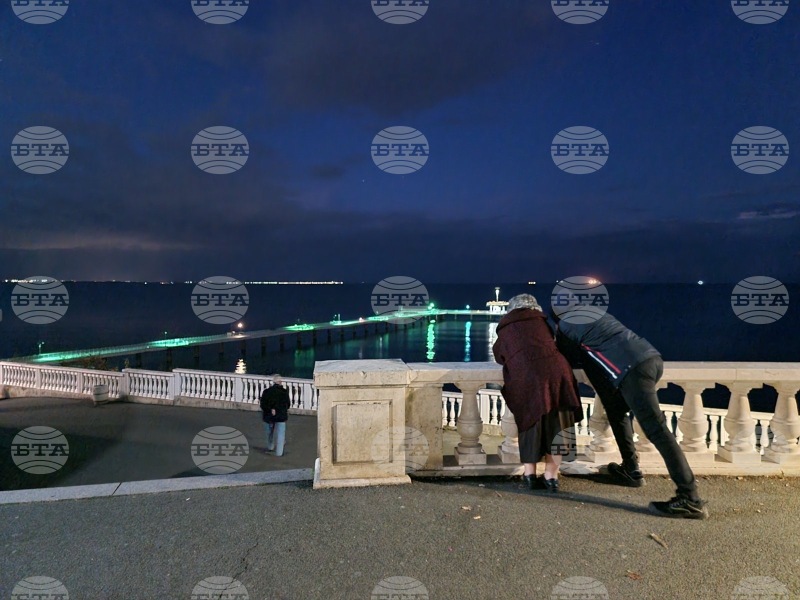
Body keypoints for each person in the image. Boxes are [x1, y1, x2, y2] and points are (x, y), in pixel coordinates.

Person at [554, 307, 709, 519]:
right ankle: (630, 469)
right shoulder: (597, 315)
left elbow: (566, 359)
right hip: (651, 358)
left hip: (631, 369)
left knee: (657, 430)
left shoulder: (565, 326)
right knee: (616, 411)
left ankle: (690, 498)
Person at [492, 294, 584, 493]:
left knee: (530, 422)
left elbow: (499, 355)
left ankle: (530, 475)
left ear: (511, 309)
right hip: (558, 375)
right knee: (558, 425)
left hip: (529, 377)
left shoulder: (507, 327)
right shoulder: (543, 323)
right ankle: (551, 477)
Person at [259, 374, 290, 456]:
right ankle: (279, 452)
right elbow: (288, 404)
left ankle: (270, 446)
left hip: (269, 416)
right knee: (280, 434)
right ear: (280, 382)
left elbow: (263, 404)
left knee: (269, 433)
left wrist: (271, 409)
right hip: (281, 416)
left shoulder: (267, 391)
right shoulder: (284, 392)